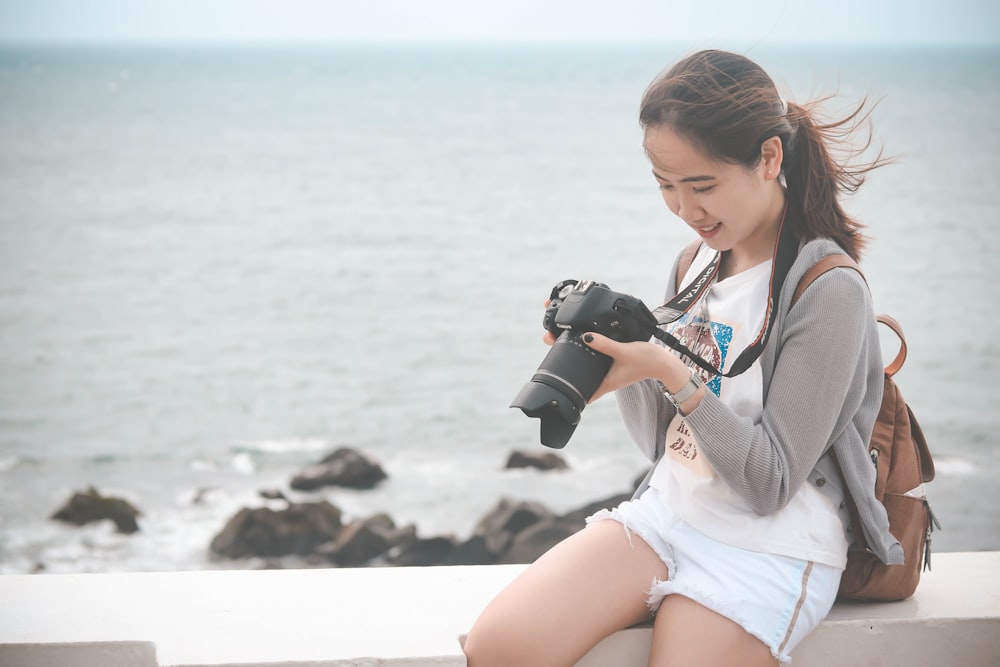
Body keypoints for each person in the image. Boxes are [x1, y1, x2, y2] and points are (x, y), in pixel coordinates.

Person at [463, 49, 901, 666]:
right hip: (670, 513)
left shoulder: (827, 288)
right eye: (666, 186)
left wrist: (674, 374)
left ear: (769, 157)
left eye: (703, 185)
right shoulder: (694, 265)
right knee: (501, 646)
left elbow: (770, 483)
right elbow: (662, 446)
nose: (687, 210)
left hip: (770, 543)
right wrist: (626, 368)